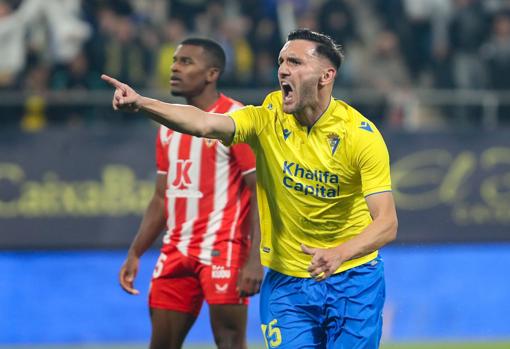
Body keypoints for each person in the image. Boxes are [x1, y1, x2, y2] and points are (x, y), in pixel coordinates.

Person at [104, 29, 398, 349]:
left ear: (326, 75)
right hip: (288, 284)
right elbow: (204, 123)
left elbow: (386, 223)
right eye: (281, 61)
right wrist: (143, 103)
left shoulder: (360, 136)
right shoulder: (266, 118)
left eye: (296, 62)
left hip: (353, 280)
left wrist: (339, 254)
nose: (283, 70)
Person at [117, 38, 263, 349]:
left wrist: (255, 259)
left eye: (186, 62)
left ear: (212, 74)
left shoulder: (236, 120)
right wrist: (136, 251)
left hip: (223, 248)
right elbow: (161, 198)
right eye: (174, 60)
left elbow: (259, 191)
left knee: (229, 341)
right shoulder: (167, 126)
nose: (174, 67)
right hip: (176, 250)